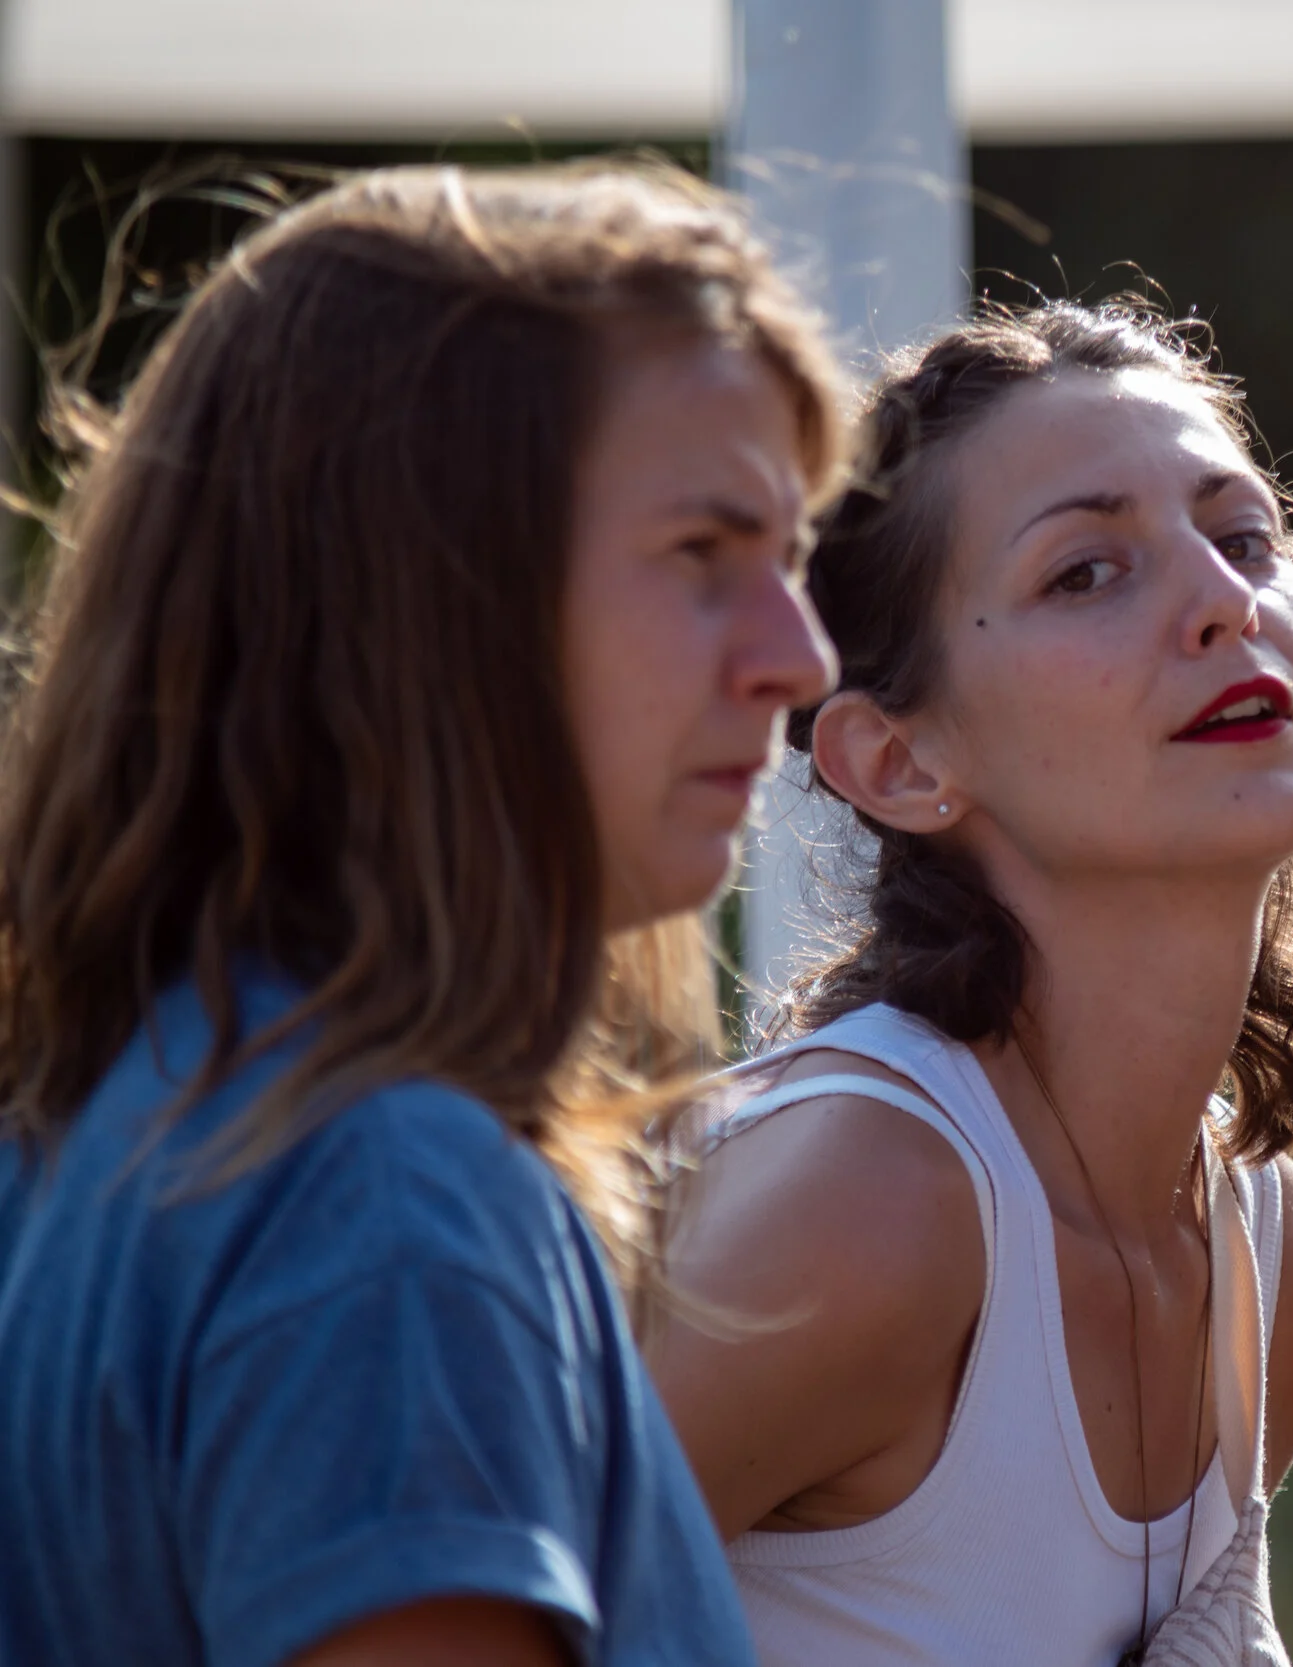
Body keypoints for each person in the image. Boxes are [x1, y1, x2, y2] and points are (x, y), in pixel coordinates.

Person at [0, 162, 844, 1666]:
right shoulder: (384, 1208)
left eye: (786, 558)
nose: (801, 657)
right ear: (424, 594)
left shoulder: (113, 1122)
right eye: (702, 555)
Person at [645, 299, 1293, 1667]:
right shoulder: (868, 1210)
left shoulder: (1278, 1272)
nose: (1227, 601)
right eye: (1085, 572)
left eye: (1245, 537)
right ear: (897, 762)